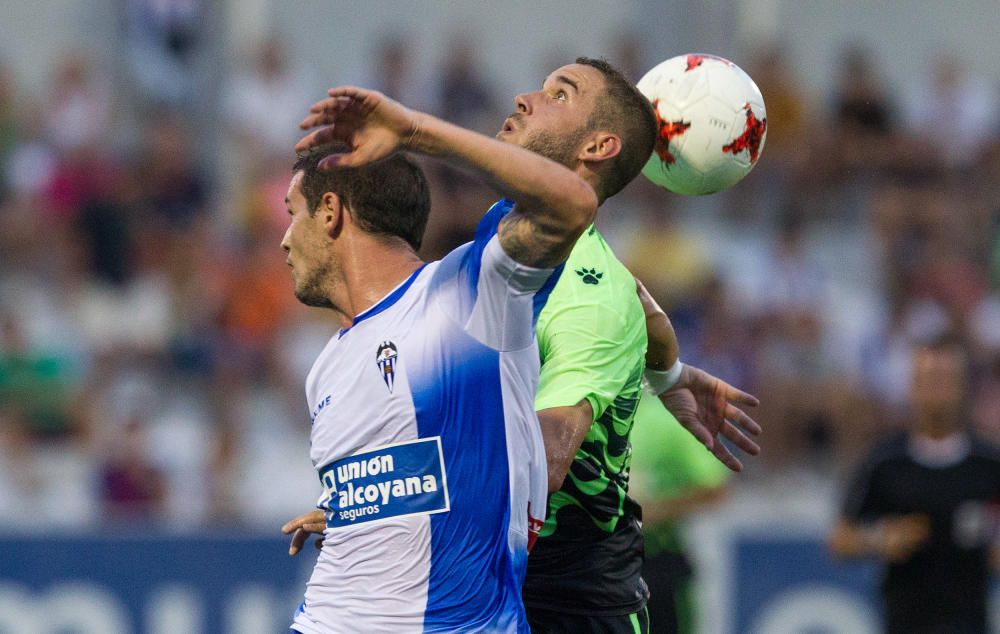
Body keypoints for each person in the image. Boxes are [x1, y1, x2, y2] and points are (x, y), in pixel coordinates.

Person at [285, 58, 762, 633]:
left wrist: (389, 499)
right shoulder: (524, 240)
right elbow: (628, 290)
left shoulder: (590, 300)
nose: (523, 98)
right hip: (505, 583)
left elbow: (548, 458)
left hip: (566, 605)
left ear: (599, 145)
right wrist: (669, 370)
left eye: (559, 95)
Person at [282, 80, 597, 631]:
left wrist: (415, 131)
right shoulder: (326, 365)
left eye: (294, 213)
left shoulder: (467, 295)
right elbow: (419, 476)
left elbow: (572, 202)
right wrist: (349, 512)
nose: (285, 240)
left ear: (330, 211)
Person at [828, 340, 1000, 634]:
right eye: (929, 380)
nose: (937, 391)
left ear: (963, 388)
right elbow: (839, 539)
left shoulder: (988, 464)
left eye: (945, 380)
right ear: (912, 387)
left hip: (969, 622)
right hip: (904, 621)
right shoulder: (885, 461)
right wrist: (880, 539)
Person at [628, 393, 730, 634]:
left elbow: (715, 486)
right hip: (597, 565)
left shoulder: (666, 419)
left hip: (657, 562)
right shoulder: (581, 413)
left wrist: (655, 510)